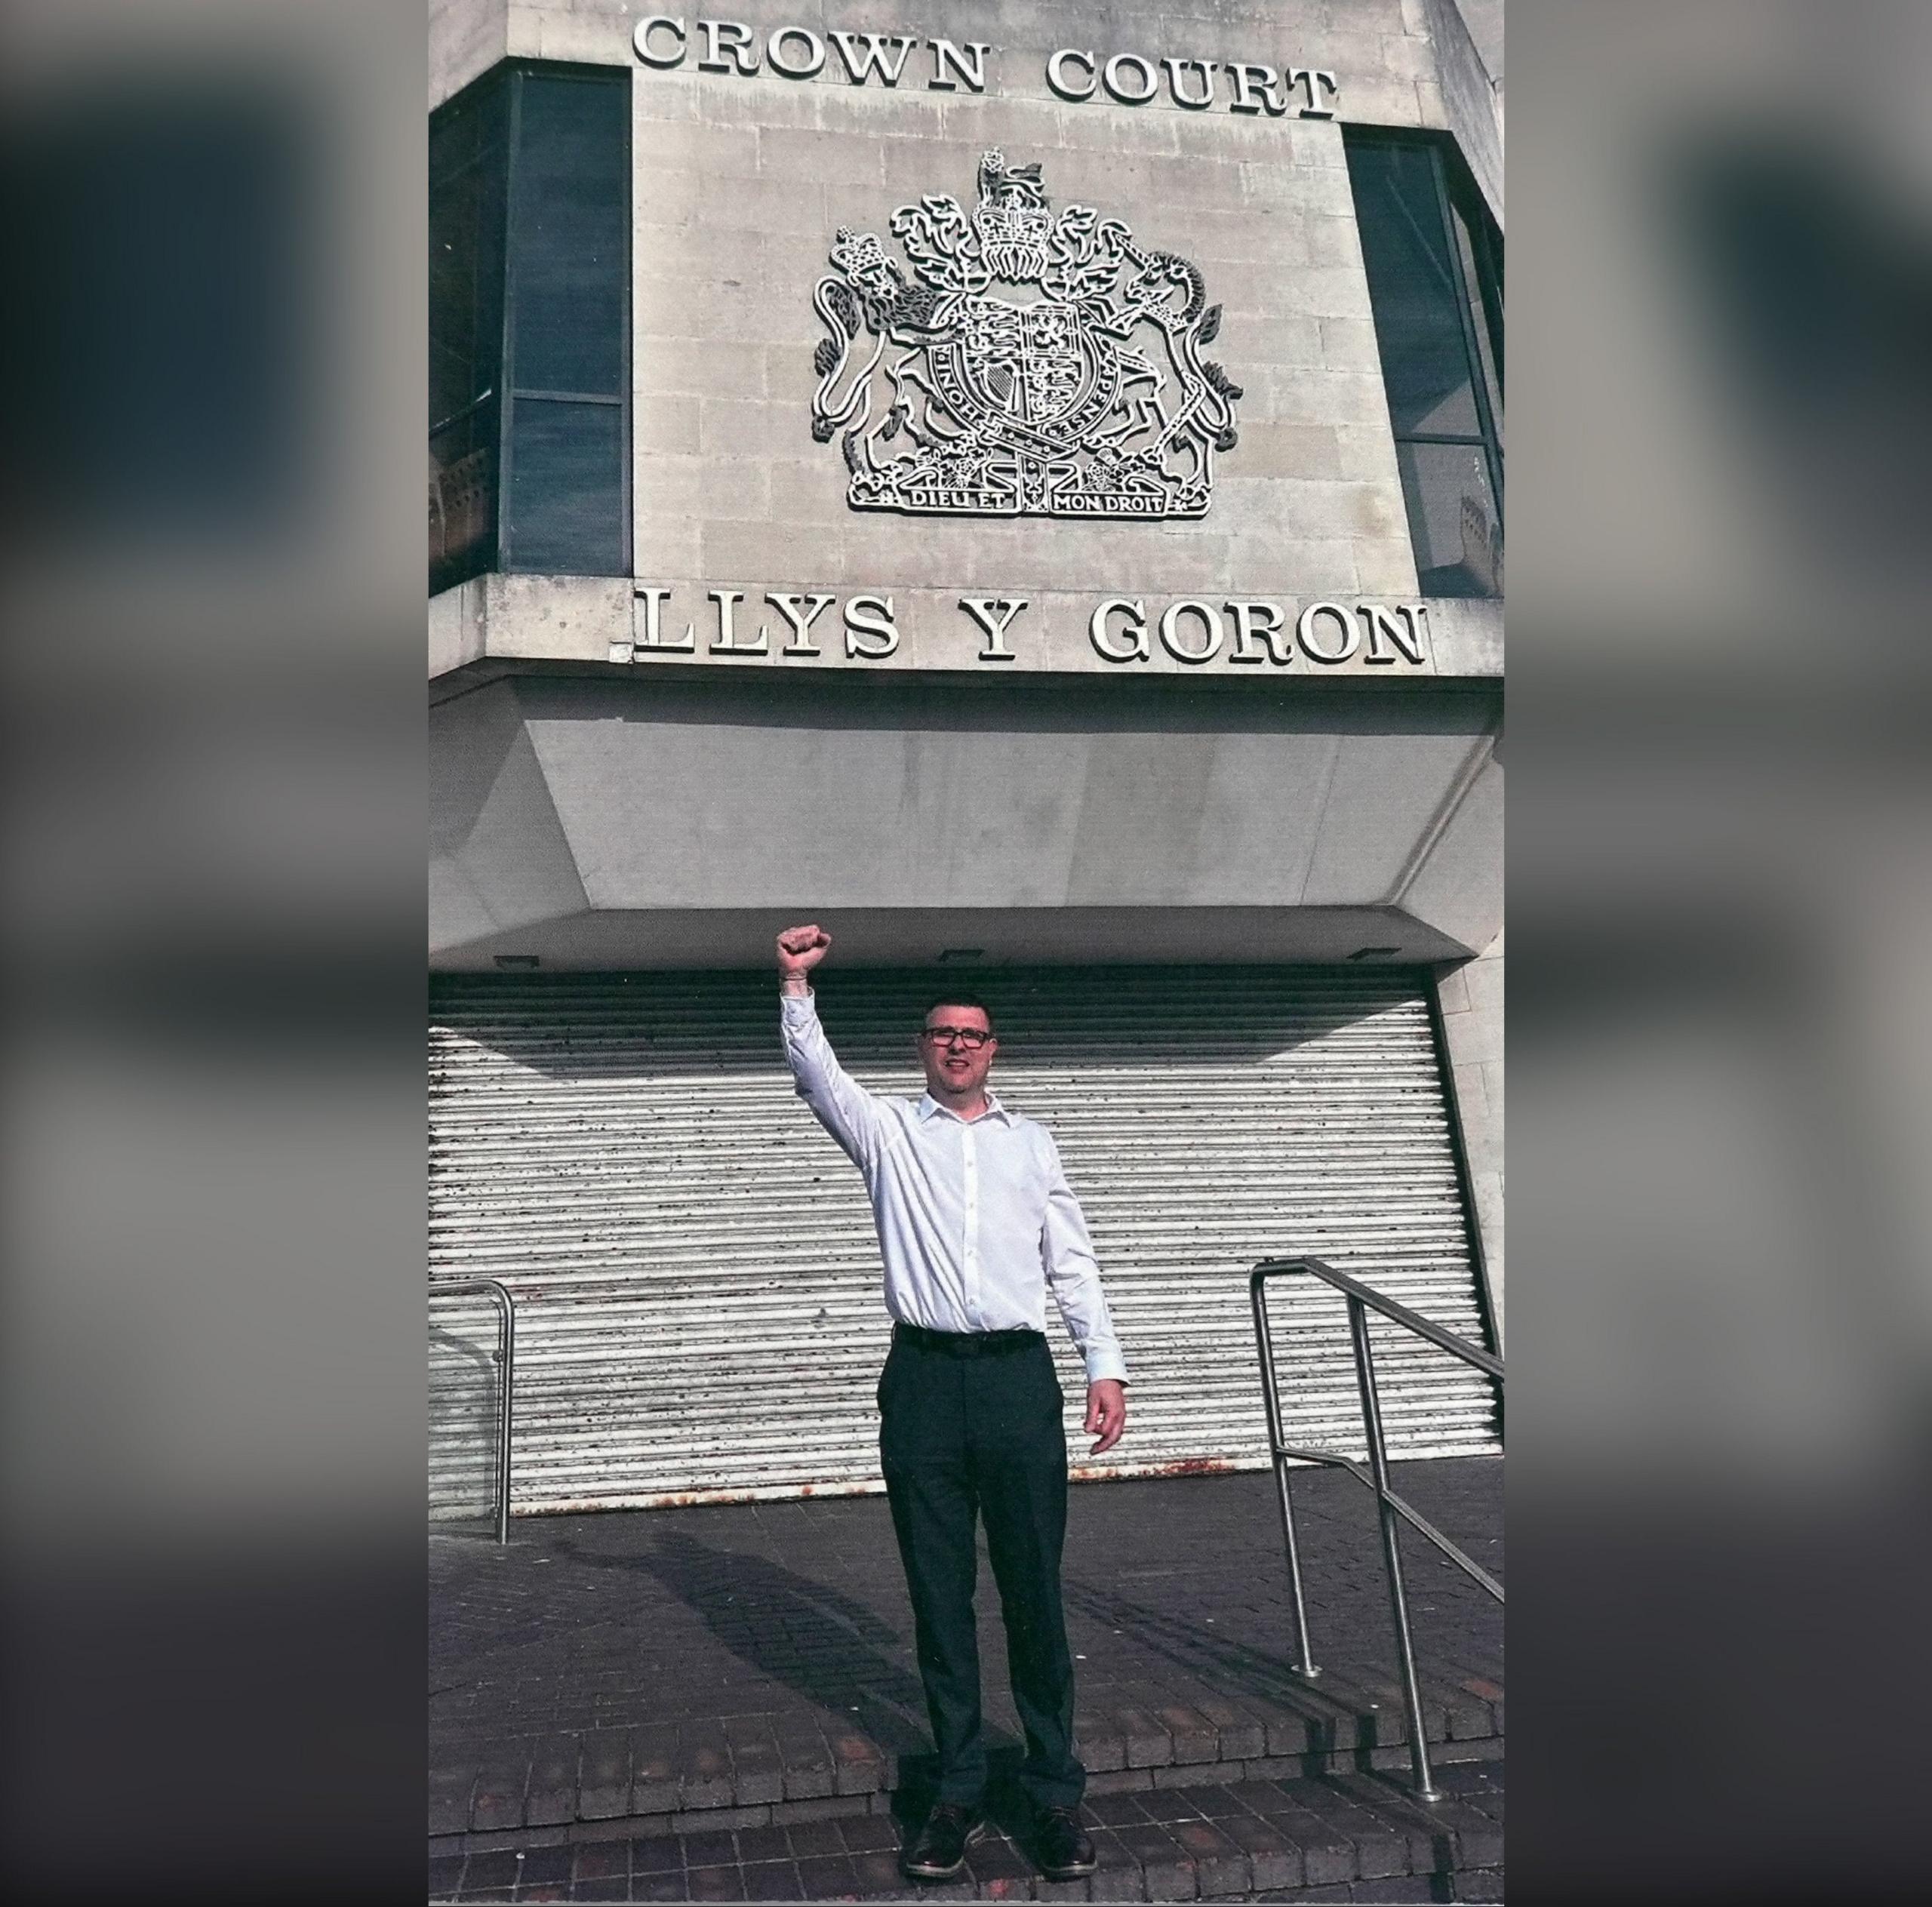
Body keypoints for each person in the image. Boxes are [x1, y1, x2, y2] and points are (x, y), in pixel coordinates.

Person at [775, 923, 1128, 1884]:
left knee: (1032, 1593)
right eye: (941, 1033)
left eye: (972, 1033)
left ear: (993, 1048)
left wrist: (1106, 1365)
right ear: (923, 1047)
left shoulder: (1032, 1143)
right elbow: (816, 1079)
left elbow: (1073, 1261)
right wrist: (796, 986)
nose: (958, 1045)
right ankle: (958, 1791)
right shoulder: (886, 1130)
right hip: (924, 1381)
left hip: (1017, 1379)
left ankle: (1054, 1793)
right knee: (939, 1597)